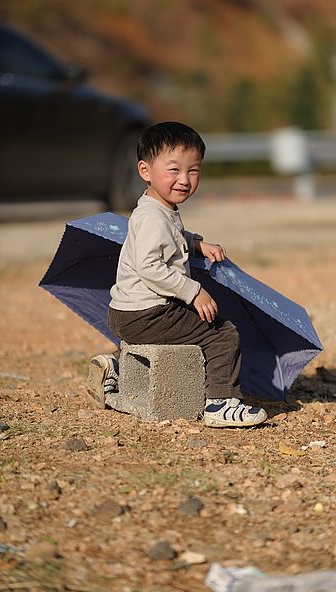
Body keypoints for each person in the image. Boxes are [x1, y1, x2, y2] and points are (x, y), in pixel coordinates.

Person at [86, 121, 267, 428]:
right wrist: (192, 290)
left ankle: (117, 367)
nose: (184, 179)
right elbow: (149, 266)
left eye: (193, 170)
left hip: (131, 313)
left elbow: (173, 238)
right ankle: (221, 402)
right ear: (145, 171)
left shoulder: (159, 209)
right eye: (174, 170)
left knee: (190, 327)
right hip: (147, 314)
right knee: (222, 334)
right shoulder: (152, 218)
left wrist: (196, 244)